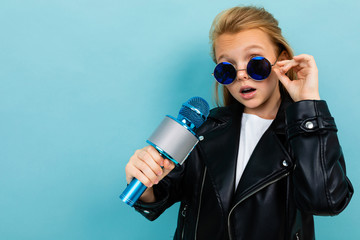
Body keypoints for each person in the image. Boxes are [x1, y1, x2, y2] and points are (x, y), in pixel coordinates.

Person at [124, 5, 353, 240]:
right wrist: (144, 177)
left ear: (281, 61)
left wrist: (308, 105)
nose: (242, 74)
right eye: (227, 69)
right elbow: (160, 194)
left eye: (256, 64)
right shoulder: (205, 128)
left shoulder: (304, 130)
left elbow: (325, 201)